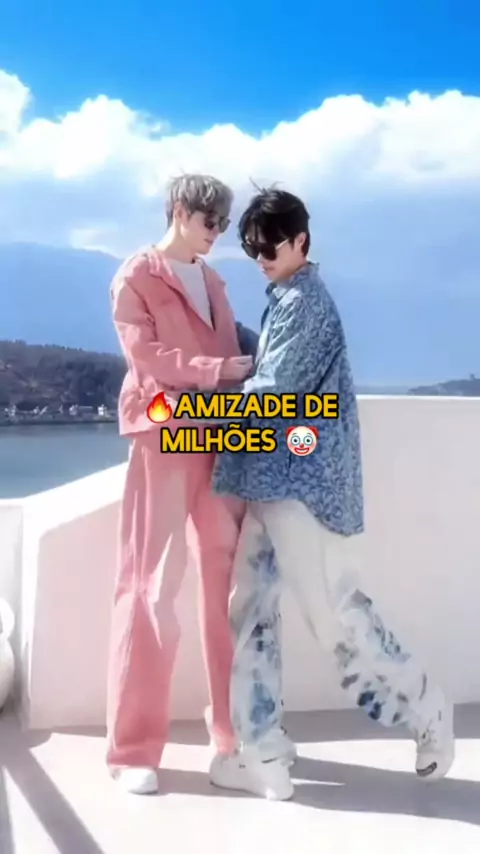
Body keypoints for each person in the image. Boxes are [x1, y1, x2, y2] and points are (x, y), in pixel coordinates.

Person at [205, 187, 455, 801]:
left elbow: (274, 394)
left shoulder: (306, 305)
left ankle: (427, 709)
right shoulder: (286, 299)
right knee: (251, 611)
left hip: (303, 484)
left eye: (270, 247)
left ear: (301, 241)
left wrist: (194, 409)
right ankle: (263, 752)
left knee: (334, 616)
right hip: (272, 478)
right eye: (252, 248)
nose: (261, 258)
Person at [106, 174, 294, 795]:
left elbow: (238, 356)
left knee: (228, 591)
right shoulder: (136, 276)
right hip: (162, 436)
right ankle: (133, 751)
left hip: (219, 442)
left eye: (223, 224)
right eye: (209, 221)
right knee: (150, 588)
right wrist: (217, 370)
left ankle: (232, 743)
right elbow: (146, 358)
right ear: (180, 211)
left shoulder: (213, 282)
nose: (217, 233)